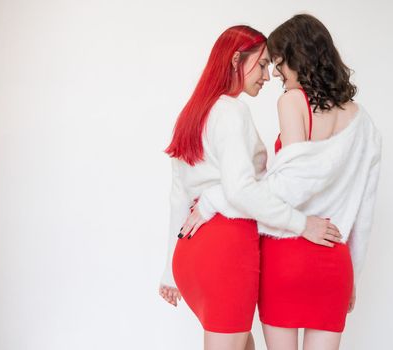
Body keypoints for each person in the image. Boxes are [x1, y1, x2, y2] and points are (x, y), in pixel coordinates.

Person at [183, 14, 382, 350]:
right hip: (335, 260)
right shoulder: (365, 125)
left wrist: (213, 199)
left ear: (297, 57)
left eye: (277, 63)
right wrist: (353, 279)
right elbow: (363, 214)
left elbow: (290, 186)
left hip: (287, 254)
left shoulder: (293, 101)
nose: (275, 74)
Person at [159, 24, 339, 350]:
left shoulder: (194, 113)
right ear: (236, 60)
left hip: (190, 254)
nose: (268, 75)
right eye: (263, 63)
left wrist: (169, 271)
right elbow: (241, 190)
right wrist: (302, 224)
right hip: (226, 247)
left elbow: (179, 197)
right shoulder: (231, 110)